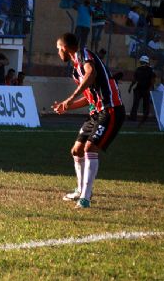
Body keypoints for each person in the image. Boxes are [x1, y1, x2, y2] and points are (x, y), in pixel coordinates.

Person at [52, 33, 125, 209]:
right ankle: (80, 190)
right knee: (77, 151)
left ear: (64, 47)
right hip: (96, 112)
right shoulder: (75, 70)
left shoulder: (85, 54)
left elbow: (91, 74)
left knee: (90, 148)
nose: (58, 52)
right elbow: (88, 98)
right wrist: (67, 106)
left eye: (57, 49)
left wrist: (70, 98)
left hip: (111, 109)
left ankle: (85, 198)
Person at [128, 55, 155, 124]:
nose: (141, 63)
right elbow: (135, 79)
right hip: (138, 89)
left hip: (146, 90)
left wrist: (151, 88)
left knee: (145, 105)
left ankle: (144, 119)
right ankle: (133, 118)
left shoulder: (150, 70)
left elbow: (152, 80)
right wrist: (131, 86)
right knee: (136, 104)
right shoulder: (138, 69)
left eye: (142, 61)